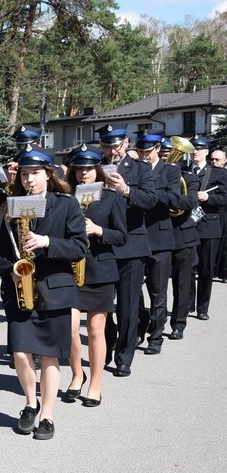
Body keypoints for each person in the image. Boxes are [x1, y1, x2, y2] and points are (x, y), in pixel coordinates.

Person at [0, 145, 87, 439]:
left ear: (48, 175)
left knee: (49, 357)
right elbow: (0, 253)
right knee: (21, 355)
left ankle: (47, 415)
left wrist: (47, 241)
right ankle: (30, 403)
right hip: (21, 292)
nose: (29, 180)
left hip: (56, 291)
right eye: (24, 174)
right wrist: (10, 269)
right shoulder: (12, 206)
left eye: (35, 173)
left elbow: (79, 247)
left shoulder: (66, 205)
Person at [64, 145, 127, 407]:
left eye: (89, 169)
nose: (83, 174)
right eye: (79, 169)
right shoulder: (66, 197)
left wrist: (99, 230)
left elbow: (122, 237)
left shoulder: (112, 198)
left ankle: (95, 385)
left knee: (94, 330)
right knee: (69, 328)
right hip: (70, 270)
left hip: (100, 271)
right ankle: (77, 374)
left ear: (98, 170)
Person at [96, 124, 156, 377]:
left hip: (131, 245)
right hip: (102, 244)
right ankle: (105, 348)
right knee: (102, 307)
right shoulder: (93, 167)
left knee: (128, 306)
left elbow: (151, 200)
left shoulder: (140, 168)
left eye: (117, 145)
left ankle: (124, 356)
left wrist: (126, 190)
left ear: (127, 143)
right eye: (107, 146)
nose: (113, 151)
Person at [134, 131, 180, 355]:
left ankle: (156, 336)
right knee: (134, 291)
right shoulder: (133, 169)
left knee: (158, 291)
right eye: (141, 150)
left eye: (147, 151)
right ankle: (139, 329)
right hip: (136, 236)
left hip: (160, 239)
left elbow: (175, 199)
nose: (144, 155)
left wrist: (149, 194)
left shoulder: (171, 170)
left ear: (157, 150)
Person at [188, 135, 227, 321]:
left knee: (205, 270)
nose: (195, 151)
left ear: (206, 151)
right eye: (193, 148)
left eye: (199, 148)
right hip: (186, 225)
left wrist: (208, 198)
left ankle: (202, 307)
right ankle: (188, 303)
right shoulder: (182, 171)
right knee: (186, 268)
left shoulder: (218, 174)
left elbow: (225, 198)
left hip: (208, 226)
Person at [169, 152, 200, 340]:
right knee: (154, 285)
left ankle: (178, 324)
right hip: (159, 236)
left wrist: (165, 198)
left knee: (182, 283)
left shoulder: (189, 178)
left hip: (183, 235)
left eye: (169, 154)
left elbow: (191, 202)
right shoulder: (153, 178)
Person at [209, 149, 227, 282]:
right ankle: (214, 269)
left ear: (224, 161)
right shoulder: (208, 173)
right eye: (212, 159)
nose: (214, 162)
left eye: (217, 159)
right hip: (217, 212)